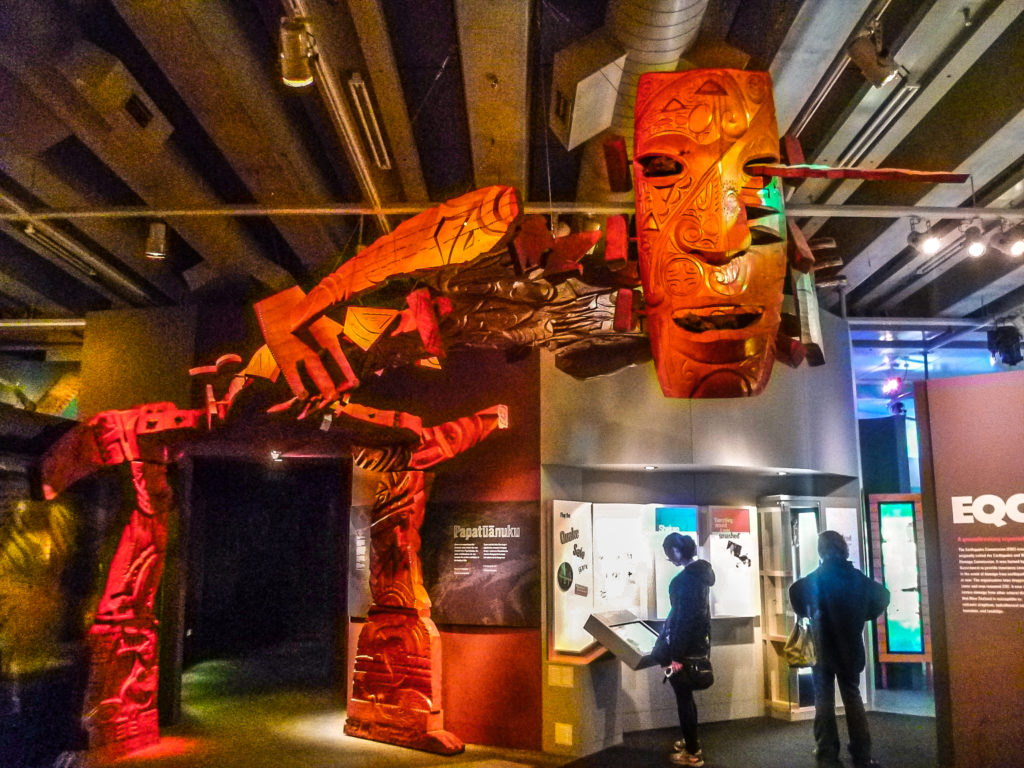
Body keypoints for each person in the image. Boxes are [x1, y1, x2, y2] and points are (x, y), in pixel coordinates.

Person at [789, 530, 890, 768]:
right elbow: (882, 596)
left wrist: (808, 612)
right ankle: (862, 755)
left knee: (823, 701)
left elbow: (795, 592)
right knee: (853, 699)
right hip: (850, 648)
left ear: (821, 551)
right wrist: (864, 614)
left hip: (821, 649)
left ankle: (826, 754)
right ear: (843, 548)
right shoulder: (856, 578)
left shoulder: (816, 578)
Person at [661, 532, 716, 767]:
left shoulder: (684, 581)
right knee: (686, 697)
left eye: (668, 554)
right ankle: (691, 740)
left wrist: (676, 655)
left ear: (675, 551)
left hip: (683, 651)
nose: (669, 558)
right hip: (698, 647)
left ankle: (693, 754)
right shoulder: (702, 575)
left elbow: (683, 619)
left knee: (683, 697)